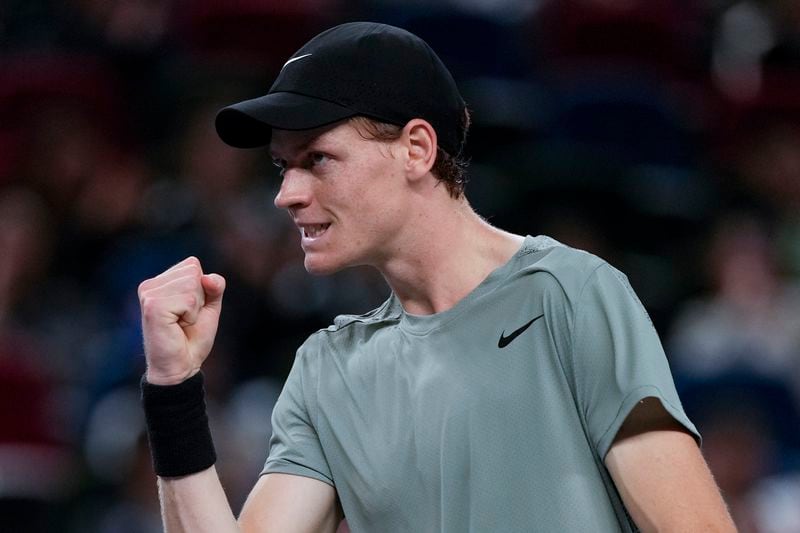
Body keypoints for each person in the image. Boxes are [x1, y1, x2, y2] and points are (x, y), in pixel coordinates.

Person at [137, 22, 736, 532]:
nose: (286, 195)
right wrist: (172, 387)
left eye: (316, 159)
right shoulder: (327, 369)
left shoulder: (569, 295)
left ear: (417, 149)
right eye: (281, 166)